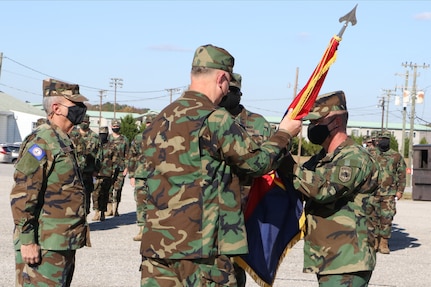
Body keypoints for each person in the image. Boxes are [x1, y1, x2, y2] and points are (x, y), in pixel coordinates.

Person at [134, 44, 302, 286]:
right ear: (222, 78)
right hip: (203, 253)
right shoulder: (215, 118)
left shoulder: (160, 119)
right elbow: (256, 163)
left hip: (157, 250)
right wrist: (284, 133)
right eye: (227, 84)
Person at [279, 90, 380, 287]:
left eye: (316, 122)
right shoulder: (323, 158)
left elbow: (322, 190)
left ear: (336, 122)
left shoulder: (354, 158)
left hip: (347, 260)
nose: (311, 127)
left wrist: (285, 162)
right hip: (330, 257)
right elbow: (297, 184)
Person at [10, 78, 91, 286]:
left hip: (61, 242)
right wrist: (27, 241)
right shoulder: (42, 141)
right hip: (44, 244)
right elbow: (23, 194)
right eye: (76, 105)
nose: (81, 109)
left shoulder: (62, 140)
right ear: (56, 108)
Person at [219, 72, 274, 287]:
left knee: (235, 269)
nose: (228, 96)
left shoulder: (258, 124)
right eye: (226, 90)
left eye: (233, 92)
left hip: (246, 209)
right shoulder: (208, 119)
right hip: (210, 208)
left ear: (239, 93)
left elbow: (271, 161)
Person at [374, 131, 406, 254]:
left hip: (389, 192)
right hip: (373, 192)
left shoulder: (396, 156)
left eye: (386, 139)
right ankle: (374, 242)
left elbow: (401, 174)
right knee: (373, 218)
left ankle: (384, 242)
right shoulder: (371, 154)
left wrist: (400, 191)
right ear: (377, 140)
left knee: (386, 218)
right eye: (382, 138)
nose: (384, 141)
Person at [70, 114, 99, 214]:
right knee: (73, 195)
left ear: (89, 123)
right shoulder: (72, 134)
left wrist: (96, 170)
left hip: (88, 171)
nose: (84, 124)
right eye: (82, 122)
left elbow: (99, 155)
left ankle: (85, 217)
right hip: (74, 170)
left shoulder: (95, 137)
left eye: (85, 122)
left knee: (86, 195)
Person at [92, 126, 115, 221]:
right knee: (95, 193)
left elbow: (115, 159)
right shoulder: (96, 145)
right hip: (96, 172)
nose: (102, 136)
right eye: (101, 134)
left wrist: (113, 171)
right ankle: (96, 212)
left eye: (104, 134)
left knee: (105, 194)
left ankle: (102, 212)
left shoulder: (111, 146)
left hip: (107, 173)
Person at [107, 119, 129, 217]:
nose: (115, 128)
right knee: (108, 188)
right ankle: (109, 209)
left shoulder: (124, 139)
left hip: (120, 168)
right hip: (109, 168)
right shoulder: (107, 138)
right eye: (114, 126)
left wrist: (127, 168)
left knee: (118, 189)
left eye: (117, 126)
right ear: (111, 127)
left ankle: (116, 209)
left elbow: (128, 154)